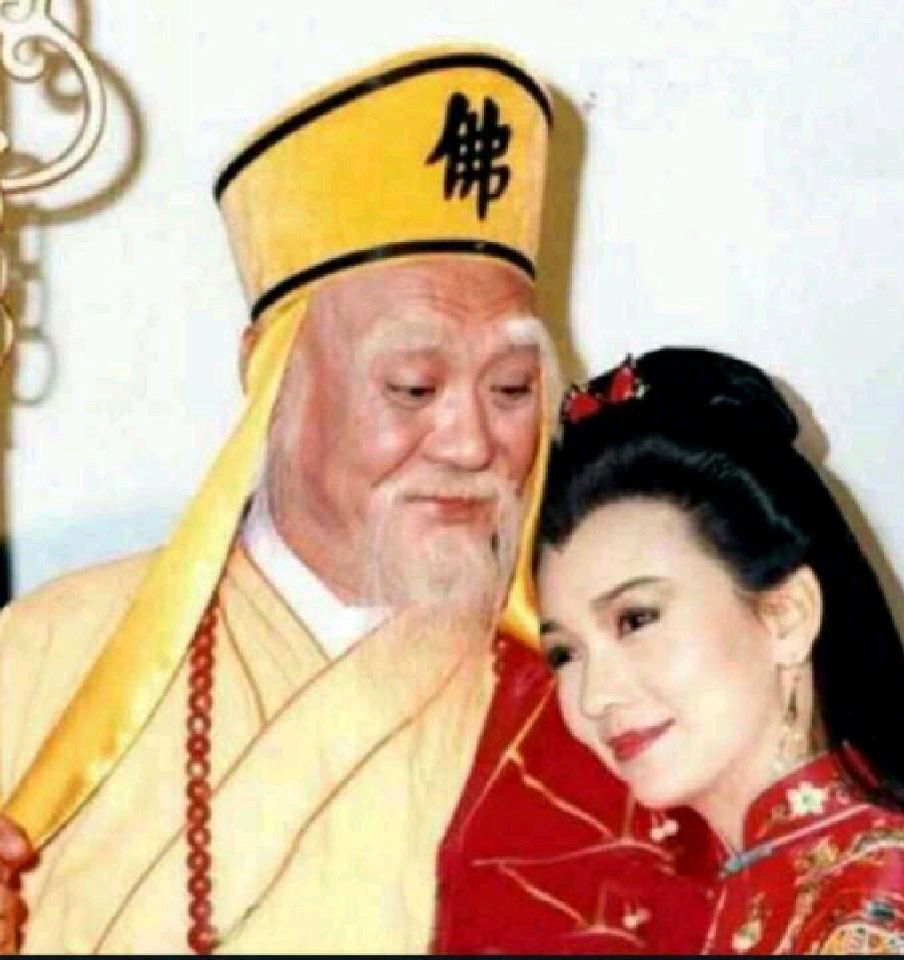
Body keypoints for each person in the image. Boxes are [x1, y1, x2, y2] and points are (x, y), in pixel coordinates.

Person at [0, 48, 715, 954]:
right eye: (414, 387)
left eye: (510, 388)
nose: (471, 444)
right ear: (270, 376)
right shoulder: (44, 655)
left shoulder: (600, 694)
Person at [533, 346, 904, 953]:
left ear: (786, 616)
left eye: (635, 619)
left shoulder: (886, 911)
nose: (595, 697)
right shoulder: (768, 891)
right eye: (565, 654)